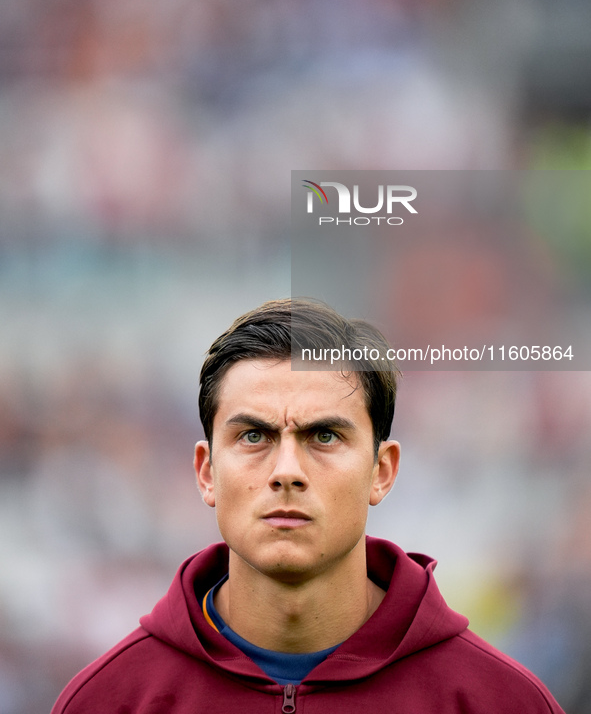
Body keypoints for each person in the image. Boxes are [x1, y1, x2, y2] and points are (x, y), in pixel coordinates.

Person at [52, 298, 566, 713]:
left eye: (324, 435)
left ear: (381, 471)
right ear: (207, 473)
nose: (287, 471)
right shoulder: (107, 701)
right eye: (254, 435)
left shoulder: (501, 702)